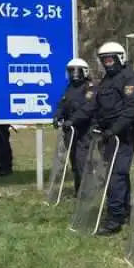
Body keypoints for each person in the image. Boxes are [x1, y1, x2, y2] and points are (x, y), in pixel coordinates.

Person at [68, 41, 134, 235]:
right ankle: (124, 210)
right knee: (114, 174)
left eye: (110, 59)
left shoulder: (129, 78)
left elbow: (132, 109)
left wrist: (114, 130)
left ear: (120, 58)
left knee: (116, 176)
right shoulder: (105, 82)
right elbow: (92, 106)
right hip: (107, 136)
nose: (107, 63)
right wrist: (72, 121)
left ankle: (114, 219)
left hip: (122, 136)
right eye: (104, 60)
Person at [53, 58, 95, 195]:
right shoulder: (70, 88)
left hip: (84, 130)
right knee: (74, 162)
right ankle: (79, 190)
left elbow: (87, 108)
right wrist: (57, 116)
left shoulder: (89, 88)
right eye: (71, 71)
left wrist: (73, 120)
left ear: (85, 72)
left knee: (82, 161)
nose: (74, 75)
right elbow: (62, 104)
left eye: (77, 71)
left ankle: (86, 192)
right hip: (70, 130)